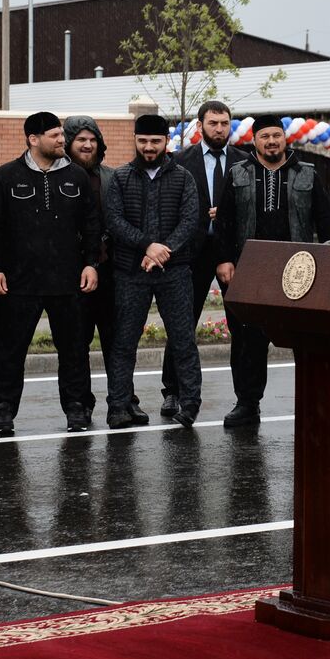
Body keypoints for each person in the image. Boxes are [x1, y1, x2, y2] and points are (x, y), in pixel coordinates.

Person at [215, 114, 330, 428]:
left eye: (276, 136)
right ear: (254, 141)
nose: (271, 141)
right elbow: (225, 222)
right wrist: (224, 260)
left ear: (285, 139)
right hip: (251, 270)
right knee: (247, 340)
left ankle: (314, 403)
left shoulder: (308, 173)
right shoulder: (238, 173)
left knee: (304, 339)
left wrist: (329, 263)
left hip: (299, 269)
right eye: (265, 136)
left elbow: (326, 224)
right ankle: (247, 403)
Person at [0, 112, 100, 435]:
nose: (62, 140)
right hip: (20, 282)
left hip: (68, 281)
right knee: (10, 351)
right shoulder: (6, 177)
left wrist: (91, 263)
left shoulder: (77, 177)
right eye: (54, 135)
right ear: (33, 140)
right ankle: (4, 410)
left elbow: (91, 226)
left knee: (74, 350)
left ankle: (77, 409)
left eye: (62, 134)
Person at [104, 113, 203, 428]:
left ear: (167, 142)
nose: (149, 147)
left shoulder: (184, 177)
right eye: (143, 140)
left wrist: (162, 252)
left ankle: (189, 405)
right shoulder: (120, 178)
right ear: (135, 140)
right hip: (130, 272)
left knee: (183, 340)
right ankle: (118, 407)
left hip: (174, 273)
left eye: (155, 141)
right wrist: (148, 246)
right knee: (124, 342)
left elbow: (190, 221)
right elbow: (115, 221)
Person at [161, 100, 248, 420]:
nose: (219, 129)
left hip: (233, 256)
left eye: (225, 123)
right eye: (213, 123)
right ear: (200, 126)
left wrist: (226, 216)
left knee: (241, 326)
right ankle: (172, 391)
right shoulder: (181, 161)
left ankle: (245, 398)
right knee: (182, 324)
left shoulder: (245, 161)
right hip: (191, 253)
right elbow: (172, 206)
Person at [64, 114, 147, 423]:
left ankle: (125, 400)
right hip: (74, 276)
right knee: (77, 343)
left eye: (92, 139)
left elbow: (125, 219)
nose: (87, 144)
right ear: (68, 143)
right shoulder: (59, 177)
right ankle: (81, 404)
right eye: (80, 139)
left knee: (118, 340)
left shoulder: (114, 178)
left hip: (113, 272)